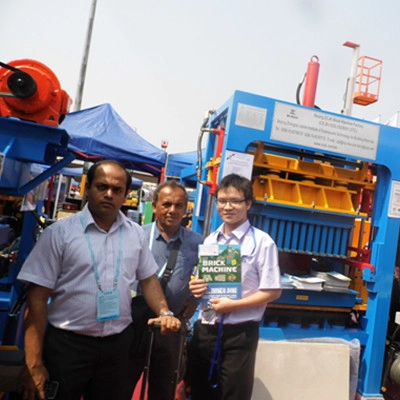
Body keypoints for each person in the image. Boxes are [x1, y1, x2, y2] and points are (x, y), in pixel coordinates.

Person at [17, 160, 181, 400]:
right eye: (102, 187)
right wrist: (34, 363)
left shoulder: (135, 234)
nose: (109, 194)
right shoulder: (59, 234)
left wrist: (164, 312)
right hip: (67, 347)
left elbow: (148, 279)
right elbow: (37, 299)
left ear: (126, 194)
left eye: (117, 189)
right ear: (88, 188)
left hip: (117, 347)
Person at [188, 173, 282, 400]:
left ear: (248, 204)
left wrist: (234, 305)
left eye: (235, 201)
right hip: (206, 328)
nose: (227, 207)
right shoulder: (210, 240)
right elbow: (203, 283)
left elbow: (272, 290)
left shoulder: (262, 242)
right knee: (200, 391)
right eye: (222, 201)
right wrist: (196, 287)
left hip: (240, 334)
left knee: (234, 394)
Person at [130, 180, 203, 400]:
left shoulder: (197, 243)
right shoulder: (137, 236)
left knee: (163, 387)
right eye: (166, 204)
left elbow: (211, 277)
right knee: (123, 381)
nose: (172, 210)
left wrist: (195, 300)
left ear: (186, 209)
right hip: (135, 324)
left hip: (171, 328)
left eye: (179, 205)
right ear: (155, 206)